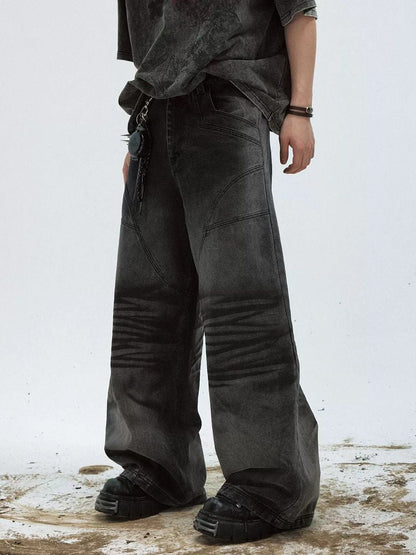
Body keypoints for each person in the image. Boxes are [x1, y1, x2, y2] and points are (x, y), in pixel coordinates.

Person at [95, 0, 321, 543]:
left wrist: (300, 109)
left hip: (230, 100)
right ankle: (159, 466)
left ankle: (273, 485)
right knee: (148, 305)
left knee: (243, 304)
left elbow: (300, 11)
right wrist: (139, 128)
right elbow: (150, 44)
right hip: (157, 114)